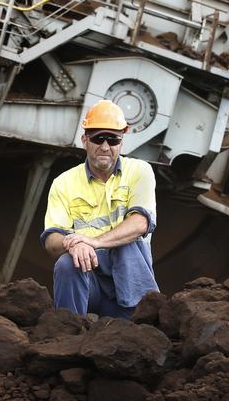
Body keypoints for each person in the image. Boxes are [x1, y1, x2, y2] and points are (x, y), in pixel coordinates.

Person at [40, 99, 159, 318]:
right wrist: (72, 244)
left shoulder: (140, 171)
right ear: (85, 140)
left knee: (127, 245)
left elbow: (140, 223)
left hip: (130, 280)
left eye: (113, 139)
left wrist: (93, 242)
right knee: (68, 263)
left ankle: (139, 322)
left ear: (122, 143)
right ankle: (67, 334)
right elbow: (51, 239)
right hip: (90, 279)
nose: (105, 146)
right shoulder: (64, 183)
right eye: (98, 138)